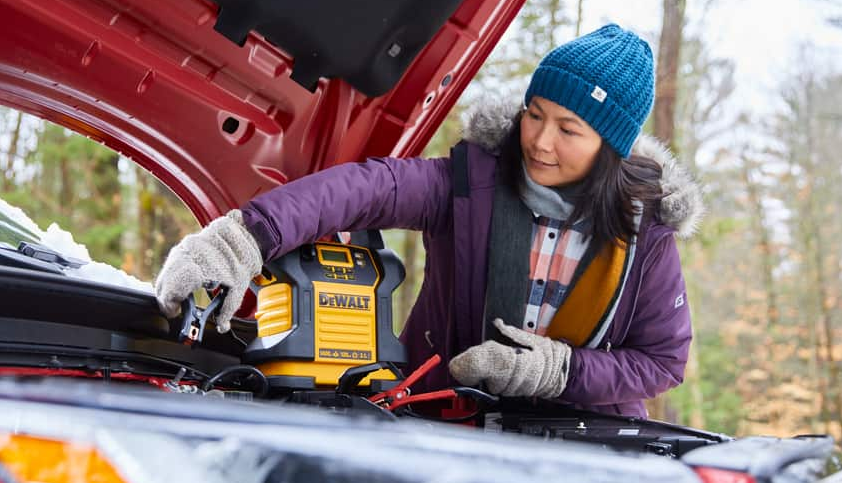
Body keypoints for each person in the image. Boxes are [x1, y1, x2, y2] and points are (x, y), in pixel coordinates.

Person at [154, 24, 702, 417]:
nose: (539, 140)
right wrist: (241, 240)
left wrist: (560, 371)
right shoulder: (472, 183)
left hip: (584, 450)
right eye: (534, 114)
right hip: (445, 423)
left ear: (611, 147)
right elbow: (365, 190)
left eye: (568, 128)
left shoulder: (644, 233)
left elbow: (660, 362)